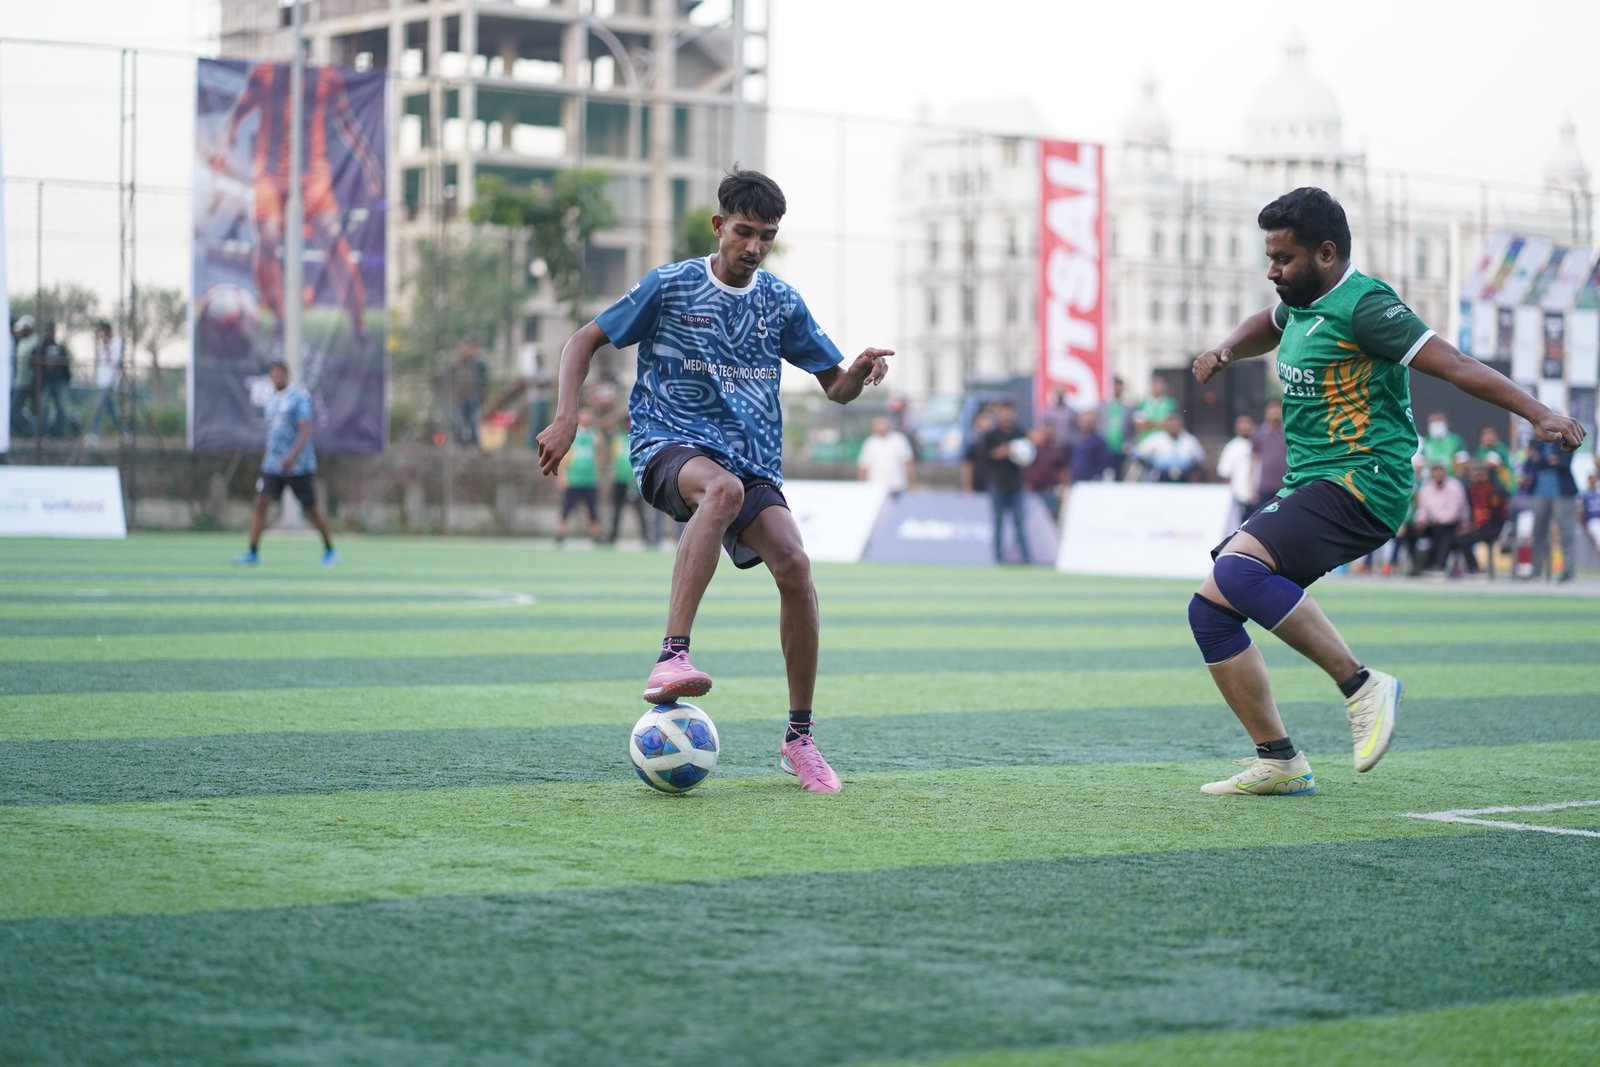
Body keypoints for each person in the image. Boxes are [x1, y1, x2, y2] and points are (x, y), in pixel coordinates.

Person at [1187, 186, 1584, 797]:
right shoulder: (1299, 303)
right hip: (1314, 480)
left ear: (1326, 253)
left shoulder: (1366, 307)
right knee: (1211, 610)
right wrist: (1227, 350)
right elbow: (1266, 324)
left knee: (1239, 571)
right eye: (1269, 257)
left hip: (1365, 479)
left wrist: (1539, 414)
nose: (1273, 270)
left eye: (1284, 258)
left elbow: (1456, 364)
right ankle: (1280, 761)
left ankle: (1362, 685)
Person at [535, 168, 893, 794]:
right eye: (744, 232)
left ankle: (799, 739)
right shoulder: (671, 285)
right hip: (667, 445)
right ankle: (672, 655)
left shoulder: (780, 302)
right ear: (718, 225)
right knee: (721, 490)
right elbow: (581, 342)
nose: (754, 247)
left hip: (751, 460)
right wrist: (566, 417)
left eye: (767, 237)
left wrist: (857, 372)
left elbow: (835, 388)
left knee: (795, 566)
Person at [208, 61, 383, 349]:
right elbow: (238, 112)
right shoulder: (265, 75)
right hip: (271, 173)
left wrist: (368, 162)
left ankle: (358, 324)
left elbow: (346, 122)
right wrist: (222, 147)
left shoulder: (326, 78)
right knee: (267, 236)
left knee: (333, 238)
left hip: (312, 173)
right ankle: (280, 315)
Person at [234, 360, 338, 567]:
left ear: (287, 376)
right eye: (273, 375)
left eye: (280, 374)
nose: (277, 378)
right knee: (261, 503)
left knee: (311, 508)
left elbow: (305, 429)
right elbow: (273, 432)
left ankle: (329, 549)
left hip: (298, 465)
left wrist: (292, 456)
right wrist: (270, 455)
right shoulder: (271, 400)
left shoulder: (298, 398)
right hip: (273, 465)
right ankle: (252, 551)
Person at [1521, 434, 1580, 582]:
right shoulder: (1536, 443)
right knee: (1538, 533)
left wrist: (1543, 460)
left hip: (1562, 494)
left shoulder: (1566, 442)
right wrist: (1550, 460)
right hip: (1540, 494)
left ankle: (1568, 570)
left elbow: (1564, 463)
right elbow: (1532, 463)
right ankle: (1536, 570)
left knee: (1566, 533)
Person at [981, 400, 1032, 563]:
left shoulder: (1019, 432)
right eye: (1004, 411)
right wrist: (1006, 450)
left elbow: (1028, 456)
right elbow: (987, 456)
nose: (1007, 415)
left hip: (1016, 484)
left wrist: (1020, 453)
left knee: (1019, 523)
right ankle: (998, 557)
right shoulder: (992, 435)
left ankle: (1026, 558)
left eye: (1009, 411)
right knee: (998, 523)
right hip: (997, 484)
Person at [1407, 462, 1468, 575]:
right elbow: (1422, 509)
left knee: (1444, 533)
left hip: (1453, 524)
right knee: (1410, 531)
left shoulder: (1455, 487)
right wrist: (1420, 522)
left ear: (1444, 473)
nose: (1438, 475)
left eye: (1440, 473)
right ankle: (1416, 566)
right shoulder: (1426, 488)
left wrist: (1439, 522)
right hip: (1433, 524)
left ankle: (1438, 565)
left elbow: (1454, 512)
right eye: (1435, 473)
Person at [607, 414, 658, 546]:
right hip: (619, 479)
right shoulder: (617, 437)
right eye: (625, 422)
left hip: (634, 480)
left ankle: (646, 537)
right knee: (617, 510)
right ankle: (612, 537)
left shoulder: (639, 438)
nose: (627, 425)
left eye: (629, 422)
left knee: (639, 510)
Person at [555, 407, 604, 545]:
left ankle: (595, 536)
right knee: (566, 508)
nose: (586, 417)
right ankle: (560, 533)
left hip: (590, 479)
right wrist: (561, 476)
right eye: (584, 414)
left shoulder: (595, 435)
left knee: (592, 510)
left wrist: (600, 447)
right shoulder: (572, 435)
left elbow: (601, 457)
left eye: (588, 414)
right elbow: (564, 458)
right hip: (573, 479)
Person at [1457, 462, 1510, 575]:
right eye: (1474, 475)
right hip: (1476, 526)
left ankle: (1474, 569)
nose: (1477, 477)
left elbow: (1497, 515)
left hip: (1492, 527)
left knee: (1463, 539)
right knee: (1455, 536)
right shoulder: (1470, 491)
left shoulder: (1494, 491)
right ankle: (1466, 567)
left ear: (1485, 475)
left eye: (1480, 474)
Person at [1133, 413, 1206, 483]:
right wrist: (1149, 468)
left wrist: (1195, 474)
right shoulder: (1157, 439)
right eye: (1172, 424)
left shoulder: (1189, 440)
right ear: (1167, 424)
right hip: (1160, 481)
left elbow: (1201, 460)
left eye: (1176, 424)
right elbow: (1137, 453)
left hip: (1184, 481)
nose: (1174, 426)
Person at [86, 320, 128, 443]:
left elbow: (115, 361)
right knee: (112, 410)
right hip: (101, 381)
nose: (102, 335)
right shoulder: (101, 345)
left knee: (98, 408)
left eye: (103, 332)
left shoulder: (116, 343)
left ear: (108, 331)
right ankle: (125, 432)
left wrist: (106, 346)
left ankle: (93, 434)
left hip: (110, 381)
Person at [857, 415, 916, 498]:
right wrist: (862, 486)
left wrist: (911, 484)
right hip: (875, 486)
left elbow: (907, 463)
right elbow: (864, 467)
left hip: (896, 486)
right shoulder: (870, 443)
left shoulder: (899, 440)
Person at [1215, 414, 1258, 527]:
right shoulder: (1231, 447)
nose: (1244, 427)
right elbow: (1225, 473)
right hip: (1238, 497)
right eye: (1241, 424)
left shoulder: (1259, 444)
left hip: (1259, 495)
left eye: (1247, 424)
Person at [1021, 422, 1068, 521]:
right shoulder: (1034, 448)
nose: (1048, 435)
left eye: (1050, 433)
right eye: (1046, 432)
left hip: (1049, 490)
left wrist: (1064, 485)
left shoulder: (1056, 450)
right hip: (1032, 490)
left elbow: (1062, 469)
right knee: (1031, 519)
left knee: (1050, 518)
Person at [37, 322, 75, 437]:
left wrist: (67, 378)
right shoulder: (41, 348)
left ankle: (59, 433)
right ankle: (43, 433)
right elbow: (32, 364)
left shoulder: (60, 348)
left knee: (62, 407)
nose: (50, 333)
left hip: (59, 381)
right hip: (46, 382)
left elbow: (66, 365)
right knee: (44, 407)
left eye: (52, 331)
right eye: (48, 331)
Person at [450, 336, 489, 448]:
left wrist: (482, 395)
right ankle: (459, 442)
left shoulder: (477, 364)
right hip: (459, 396)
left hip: (473, 397)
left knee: (473, 420)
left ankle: (474, 443)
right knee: (458, 420)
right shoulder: (456, 364)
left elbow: (483, 379)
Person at [1251, 400, 1287, 512]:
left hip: (1285, 486)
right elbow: (1253, 459)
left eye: (1277, 409)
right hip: (1264, 486)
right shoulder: (1258, 432)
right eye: (1271, 409)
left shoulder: (1288, 432)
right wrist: (1252, 486)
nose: (1274, 412)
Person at [1098, 376, 1135, 480]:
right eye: (1116, 386)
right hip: (1105, 448)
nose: (1118, 389)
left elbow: (1132, 428)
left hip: (1121, 449)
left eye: (1120, 387)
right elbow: (1098, 425)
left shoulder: (1128, 407)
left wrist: (1129, 443)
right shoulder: (1102, 406)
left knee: (1120, 476)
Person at [1063, 408, 1109, 490]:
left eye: (1089, 422)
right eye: (1084, 421)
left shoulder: (1098, 441)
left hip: (1090, 482)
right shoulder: (1073, 439)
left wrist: (1097, 476)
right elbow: (1066, 458)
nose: (1086, 424)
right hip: (1074, 480)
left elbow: (1103, 462)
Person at [960, 408, 995, 494]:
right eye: (983, 419)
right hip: (978, 485)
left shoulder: (998, 440)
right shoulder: (973, 442)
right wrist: (967, 486)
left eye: (989, 419)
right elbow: (967, 465)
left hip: (996, 486)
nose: (986, 423)